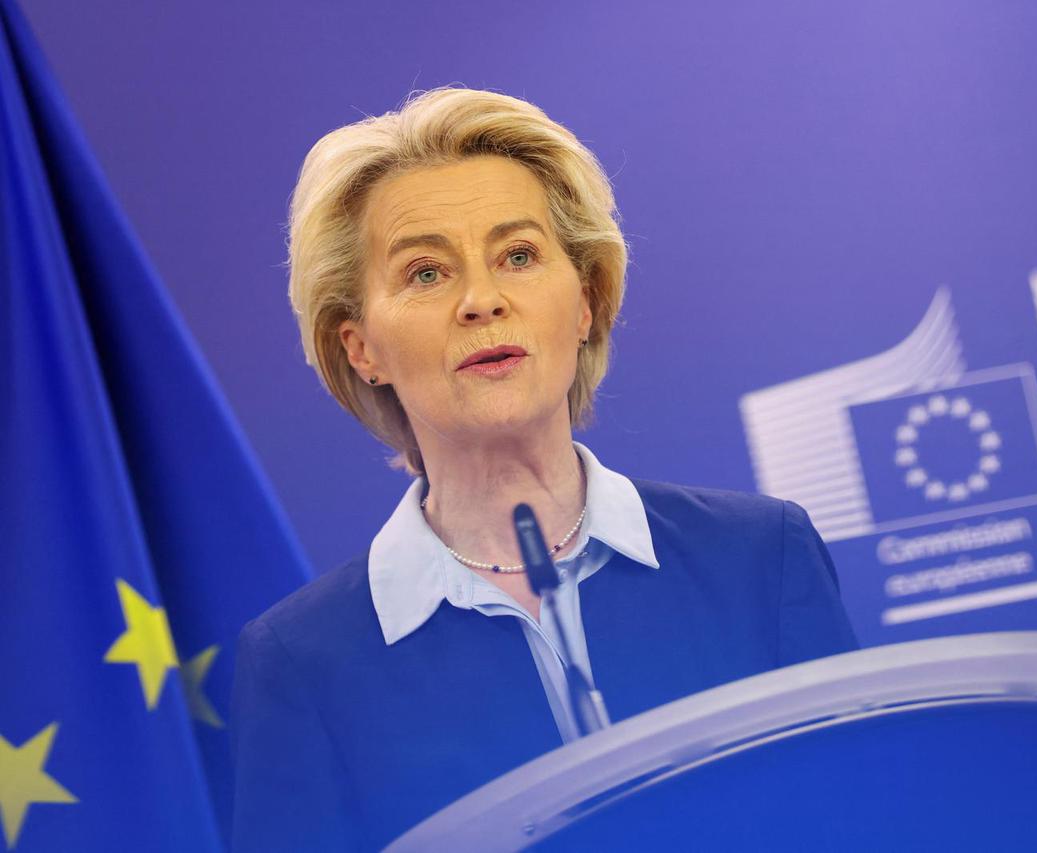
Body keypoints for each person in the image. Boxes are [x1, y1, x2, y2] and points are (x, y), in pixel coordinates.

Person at [229, 85, 858, 852]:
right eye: (426, 273)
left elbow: (867, 818)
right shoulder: (305, 664)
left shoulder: (761, 558)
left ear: (587, 301)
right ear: (361, 346)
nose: (482, 300)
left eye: (518, 256)